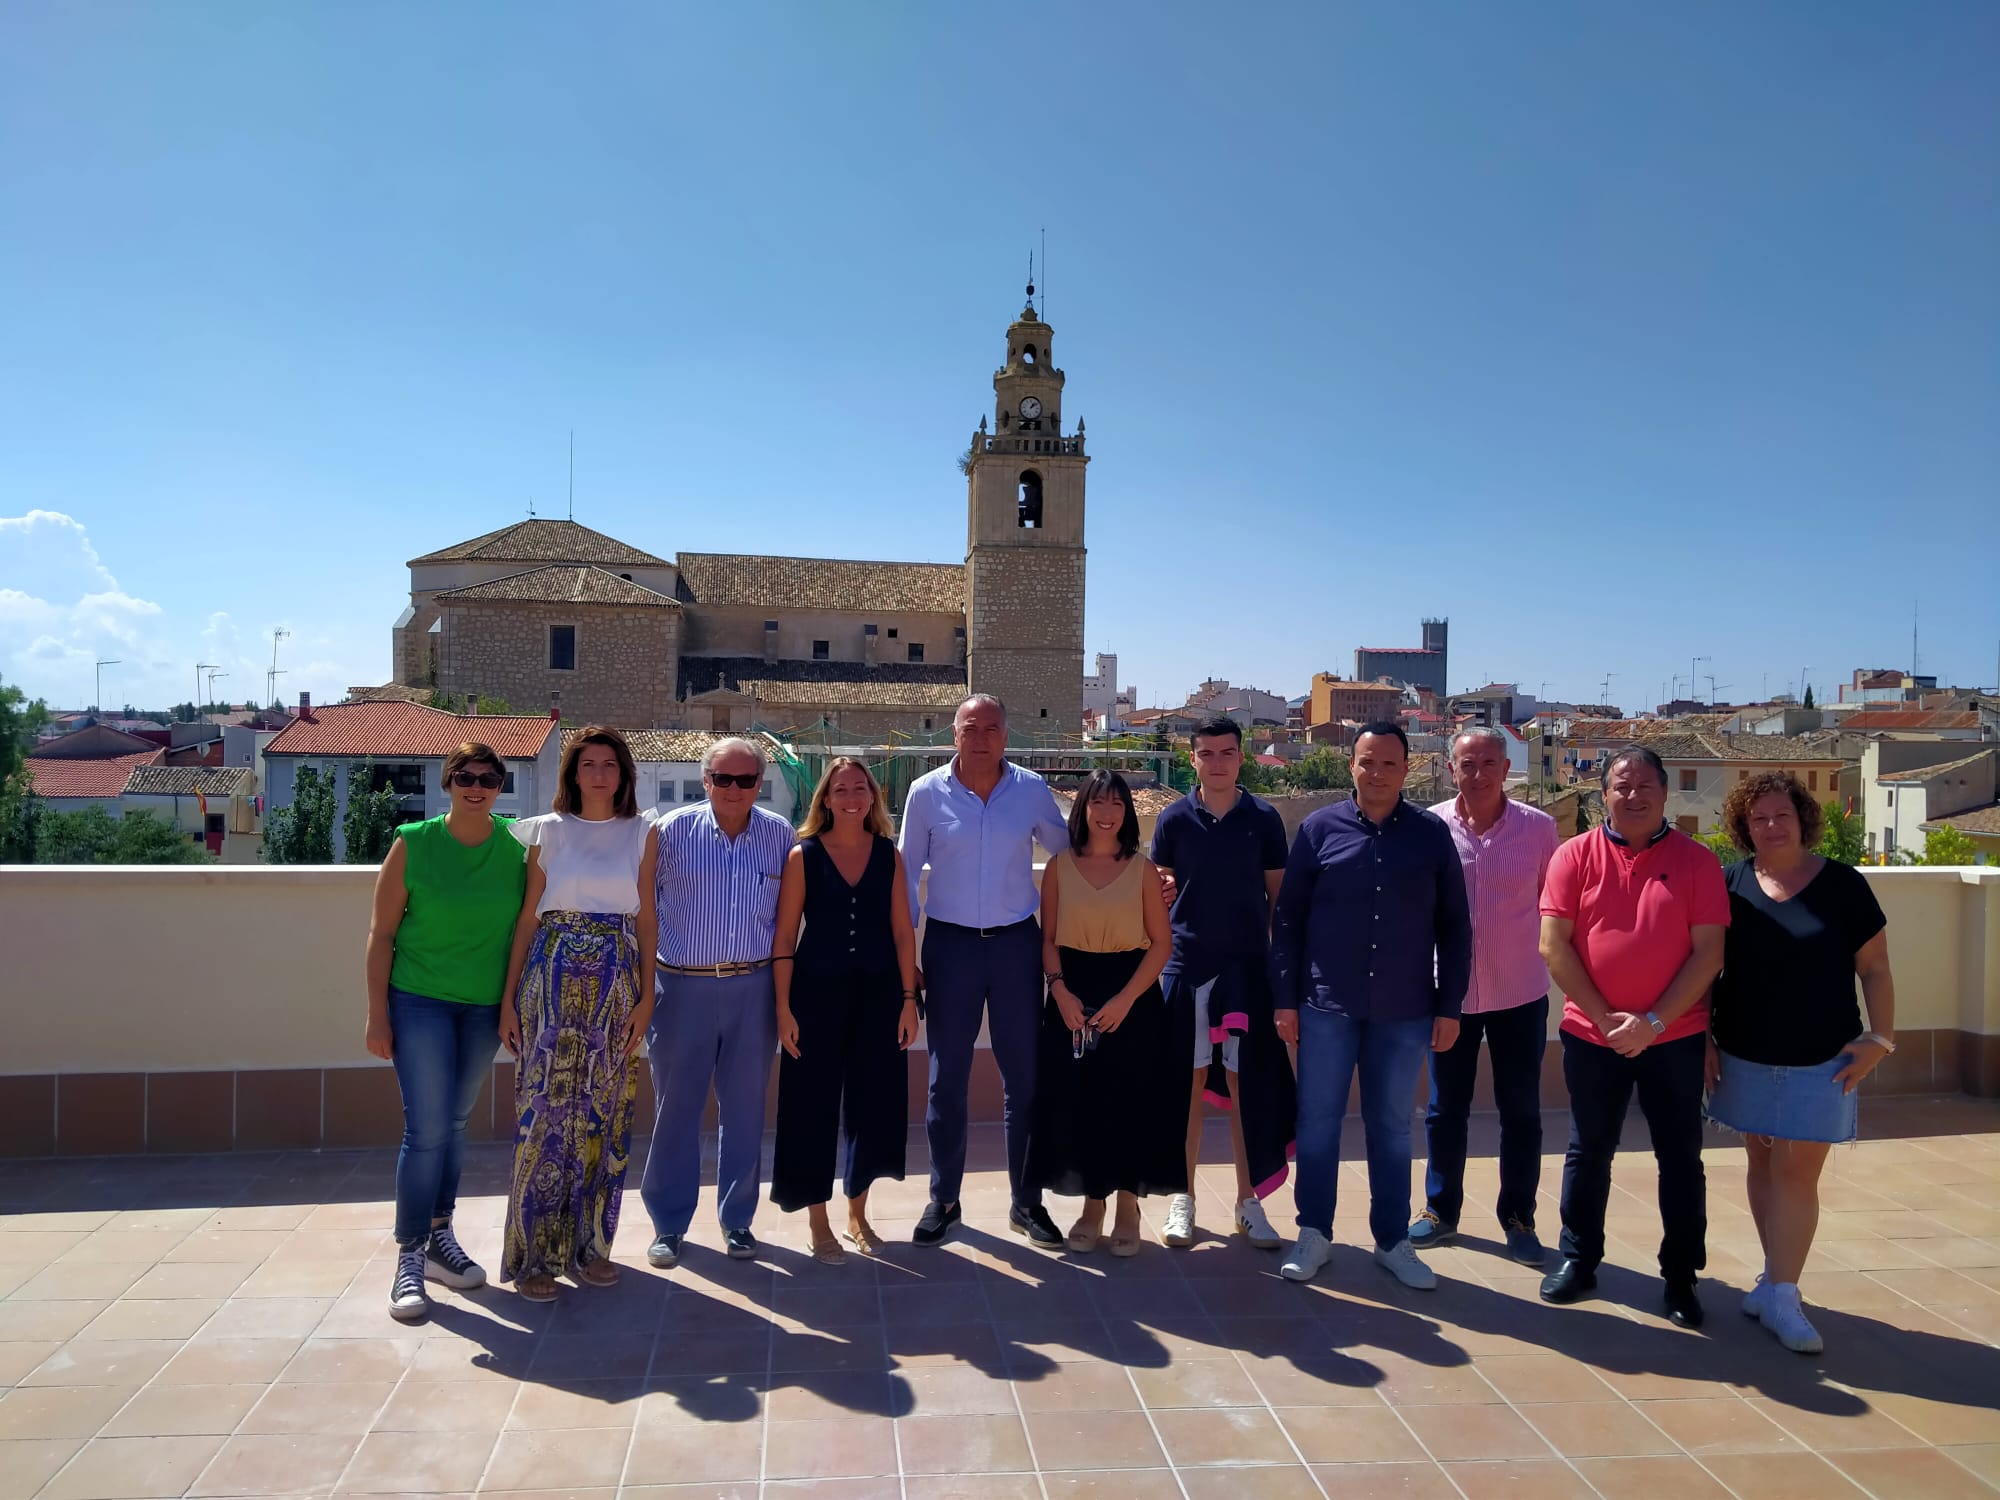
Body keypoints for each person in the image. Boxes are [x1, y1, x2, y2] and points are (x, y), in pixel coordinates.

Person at [1273, 722, 1471, 1289]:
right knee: (1316, 1125)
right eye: (1367, 762)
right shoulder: (1318, 829)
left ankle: (1392, 1240)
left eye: (1388, 763)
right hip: (1326, 1006)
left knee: (1391, 1128)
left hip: (1406, 1009)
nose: (1377, 773)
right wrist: (1284, 1000)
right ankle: (1314, 1233)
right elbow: (1287, 922)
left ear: (1406, 769)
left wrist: (1449, 1005)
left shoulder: (1431, 836)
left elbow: (1455, 927)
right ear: (1350, 766)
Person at [1705, 771, 1896, 1353]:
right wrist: (1704, 1041)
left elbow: (1876, 969)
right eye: (1758, 818)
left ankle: (1785, 1293)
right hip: (1744, 1054)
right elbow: (1707, 968)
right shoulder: (1729, 884)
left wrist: (1880, 1039)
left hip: (1823, 1059)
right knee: (1762, 1166)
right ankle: (1772, 1281)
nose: (1769, 826)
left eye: (1780, 816)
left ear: (1802, 819)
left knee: (1796, 1174)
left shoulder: (1843, 886)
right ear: (1744, 825)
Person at [1539, 746, 1727, 1328]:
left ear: (1665, 792)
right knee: (1588, 1149)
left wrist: (1651, 1025)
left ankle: (1679, 1276)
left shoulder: (1697, 862)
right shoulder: (1574, 856)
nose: (1634, 795)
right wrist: (1606, 1020)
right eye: (1622, 785)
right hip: (1592, 1036)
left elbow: (1708, 955)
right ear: (1604, 794)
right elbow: (1554, 945)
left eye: (1646, 785)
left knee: (1680, 1157)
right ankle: (1579, 1259)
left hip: (1674, 1037)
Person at [899, 693, 1071, 1247]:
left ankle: (1027, 1202)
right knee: (946, 1079)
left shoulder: (1031, 791)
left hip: (1017, 947)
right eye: (970, 728)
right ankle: (944, 1199)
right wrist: (908, 961)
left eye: (991, 728)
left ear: (1006, 735)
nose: (981, 738)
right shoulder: (925, 793)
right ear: (954, 735)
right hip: (949, 949)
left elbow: (1070, 857)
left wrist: (1139, 880)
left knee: (1024, 1078)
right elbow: (904, 879)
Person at [364, 742, 527, 1321]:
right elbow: (381, 934)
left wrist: (509, 1006)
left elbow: (523, 936)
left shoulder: (517, 848)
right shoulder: (414, 843)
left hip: (483, 1010)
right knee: (426, 1129)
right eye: (465, 776)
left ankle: (439, 1238)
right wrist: (377, 1015)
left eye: (488, 778)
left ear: (501, 786)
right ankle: (409, 1256)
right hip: (420, 1003)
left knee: (454, 1124)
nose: (476, 786)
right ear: (447, 781)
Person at [497, 727, 658, 1302]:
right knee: (542, 1113)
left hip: (616, 978)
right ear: (572, 773)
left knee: (603, 1113)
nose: (598, 774)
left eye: (609, 764)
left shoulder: (643, 832)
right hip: (551, 974)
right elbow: (527, 918)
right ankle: (535, 1256)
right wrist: (510, 998)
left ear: (624, 773)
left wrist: (646, 997)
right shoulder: (546, 832)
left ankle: (591, 1247)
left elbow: (645, 919)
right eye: (587, 763)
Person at [641, 737, 795, 1267]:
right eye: (723, 779)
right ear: (706, 781)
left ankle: (738, 1221)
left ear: (760, 784)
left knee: (746, 1110)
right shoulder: (669, 832)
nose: (734, 789)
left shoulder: (780, 837)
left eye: (746, 779)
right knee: (675, 1110)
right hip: (680, 987)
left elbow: (789, 922)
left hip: (753, 988)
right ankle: (668, 1223)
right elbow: (643, 915)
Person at [1414, 727, 1561, 1266]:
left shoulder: (1540, 829)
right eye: (1467, 764)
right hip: (1448, 994)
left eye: (1489, 764)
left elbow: (1555, 904)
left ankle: (1518, 1217)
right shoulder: (1430, 828)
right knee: (1444, 1110)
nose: (1478, 774)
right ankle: (1440, 1211)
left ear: (1506, 769)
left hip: (1520, 993)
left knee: (1520, 1111)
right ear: (1451, 768)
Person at [1149, 716, 1294, 1252]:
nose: (1217, 762)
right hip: (1186, 968)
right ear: (1193, 759)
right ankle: (1181, 1198)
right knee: (1184, 1087)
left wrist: (1282, 976)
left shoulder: (1265, 819)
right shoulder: (1173, 820)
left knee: (1243, 1089)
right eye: (1206, 753)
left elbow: (1279, 902)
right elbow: (1157, 893)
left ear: (1241, 757)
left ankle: (1247, 1202)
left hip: (1246, 972)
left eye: (1226, 753)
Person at [770, 758, 920, 1263]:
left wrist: (907, 1001)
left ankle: (858, 1212)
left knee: (872, 1107)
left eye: (861, 788)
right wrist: (783, 1010)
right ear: (826, 799)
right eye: (841, 789)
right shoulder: (803, 856)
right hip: (814, 998)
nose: (852, 797)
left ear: (873, 798)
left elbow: (903, 932)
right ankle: (819, 1221)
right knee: (810, 1107)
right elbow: (786, 938)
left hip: (879, 999)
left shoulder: (888, 856)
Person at [1025, 771, 1180, 1254]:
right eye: (1098, 803)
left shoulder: (1143, 870)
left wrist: (1126, 999)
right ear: (1083, 810)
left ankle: (1128, 1207)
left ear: (1127, 812)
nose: (1107, 813)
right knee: (1081, 1103)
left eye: (1117, 803)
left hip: (1131, 996)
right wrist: (1061, 992)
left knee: (1130, 1102)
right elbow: (1048, 940)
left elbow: (1160, 945)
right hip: (1072, 996)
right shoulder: (1057, 867)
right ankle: (1093, 1206)